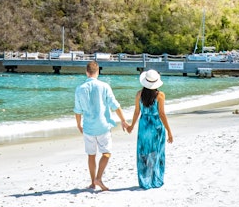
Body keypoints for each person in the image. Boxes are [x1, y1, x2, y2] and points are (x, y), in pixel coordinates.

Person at [74, 60, 129, 191]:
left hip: (88, 127)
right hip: (103, 126)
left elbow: (77, 110)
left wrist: (78, 125)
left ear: (86, 72)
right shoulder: (104, 86)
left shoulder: (80, 88)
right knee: (106, 153)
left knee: (91, 155)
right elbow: (115, 105)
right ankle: (98, 178)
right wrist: (123, 120)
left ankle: (93, 182)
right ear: (97, 72)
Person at [126, 69, 173, 189]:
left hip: (144, 126)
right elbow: (162, 114)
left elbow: (137, 112)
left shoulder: (139, 94)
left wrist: (131, 126)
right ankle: (155, 180)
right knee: (157, 152)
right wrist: (169, 131)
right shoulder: (160, 95)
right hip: (156, 125)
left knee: (143, 152)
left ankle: (144, 181)